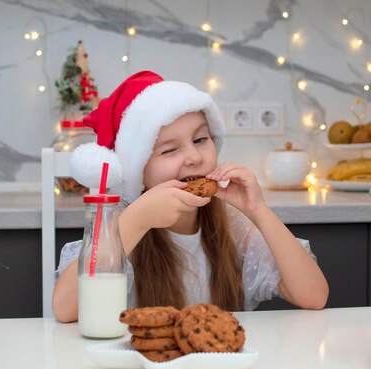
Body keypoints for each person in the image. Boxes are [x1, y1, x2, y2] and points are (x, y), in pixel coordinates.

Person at [53, 71, 328, 323]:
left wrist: (258, 211)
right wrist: (137, 220)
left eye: (200, 140)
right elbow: (65, 310)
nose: (195, 158)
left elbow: (314, 296)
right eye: (170, 150)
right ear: (139, 172)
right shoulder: (122, 226)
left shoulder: (233, 225)